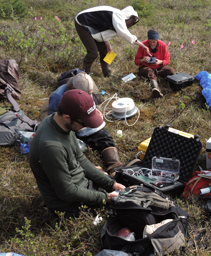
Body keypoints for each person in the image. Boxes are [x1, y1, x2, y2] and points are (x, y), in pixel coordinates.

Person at [29, 89, 125, 217]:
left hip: (82, 185)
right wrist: (104, 197)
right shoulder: (52, 147)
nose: (87, 127)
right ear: (67, 117)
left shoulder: (59, 122)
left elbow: (81, 159)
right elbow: (66, 192)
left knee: (124, 186)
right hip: (68, 204)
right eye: (84, 123)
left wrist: (111, 184)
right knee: (123, 212)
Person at [39, 72, 124, 174]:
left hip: (81, 123)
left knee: (103, 135)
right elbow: (55, 122)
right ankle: (90, 169)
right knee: (69, 148)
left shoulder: (84, 91)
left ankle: (114, 164)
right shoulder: (57, 97)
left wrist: (95, 114)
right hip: (69, 127)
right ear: (73, 87)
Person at [75, 5, 151, 77]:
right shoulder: (118, 16)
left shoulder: (116, 18)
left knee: (106, 51)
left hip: (94, 28)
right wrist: (142, 45)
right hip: (82, 23)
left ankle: (107, 74)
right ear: (128, 16)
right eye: (132, 22)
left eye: (133, 23)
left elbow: (104, 30)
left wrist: (108, 44)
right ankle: (85, 73)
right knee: (93, 52)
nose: (131, 24)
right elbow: (125, 34)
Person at [134, 27, 175, 98]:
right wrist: (142, 60)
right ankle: (156, 89)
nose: (152, 44)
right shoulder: (143, 45)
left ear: (157, 40)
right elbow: (136, 61)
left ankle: (153, 75)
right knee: (149, 70)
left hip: (158, 69)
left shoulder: (163, 45)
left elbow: (167, 60)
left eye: (154, 42)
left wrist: (160, 62)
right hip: (145, 68)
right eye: (150, 42)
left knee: (171, 71)